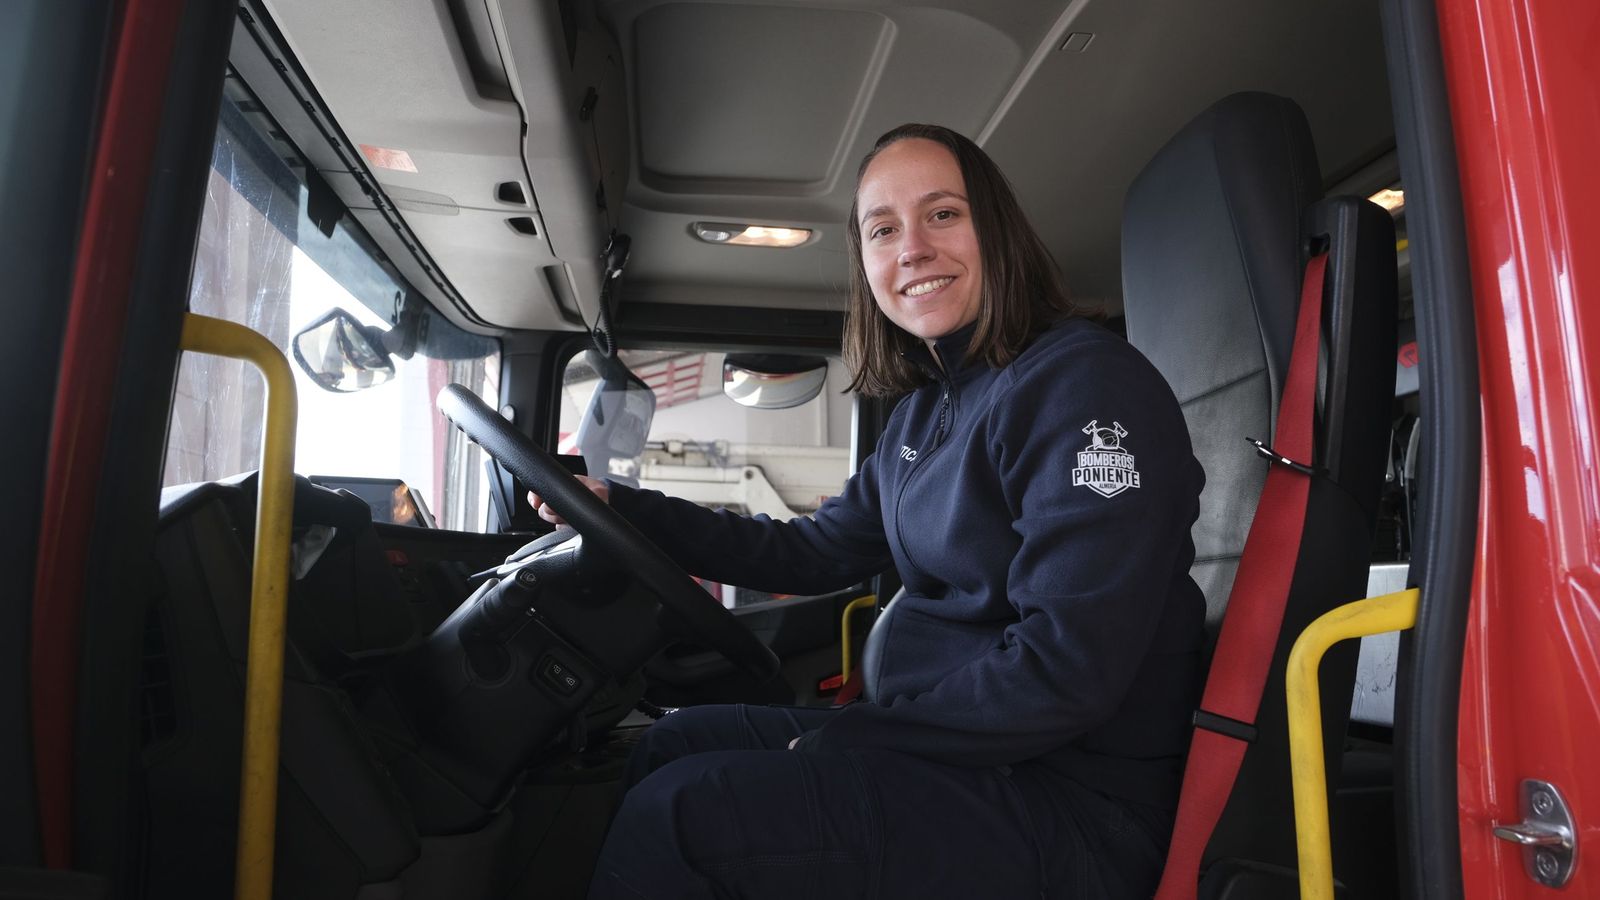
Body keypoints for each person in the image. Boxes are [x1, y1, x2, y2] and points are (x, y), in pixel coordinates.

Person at [534, 123, 1206, 900]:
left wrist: (854, 740)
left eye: (943, 215)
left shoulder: (1084, 388)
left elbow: (1065, 672)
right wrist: (627, 512)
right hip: (972, 757)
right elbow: (811, 551)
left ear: (997, 230)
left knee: (681, 815)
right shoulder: (926, 413)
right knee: (674, 743)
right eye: (883, 230)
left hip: (1074, 800)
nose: (911, 248)